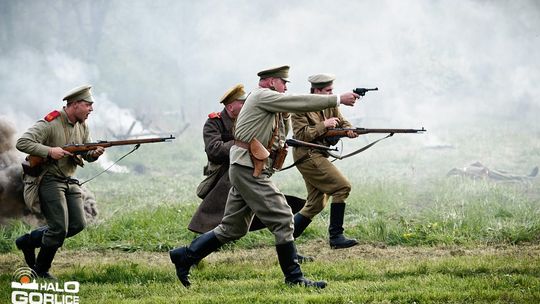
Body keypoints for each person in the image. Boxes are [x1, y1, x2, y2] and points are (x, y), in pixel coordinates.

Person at [169, 66, 360, 289]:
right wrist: (337, 99)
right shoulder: (262, 96)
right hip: (249, 169)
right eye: (283, 83)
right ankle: (294, 278)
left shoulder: (270, 102)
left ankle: (185, 256)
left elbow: (282, 127)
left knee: (233, 228)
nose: (286, 87)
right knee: (283, 217)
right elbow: (298, 102)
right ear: (271, 83)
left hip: (249, 167)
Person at [15, 84, 104, 279]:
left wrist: (93, 154)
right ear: (75, 104)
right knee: (58, 229)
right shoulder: (51, 122)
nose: (91, 109)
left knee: (77, 224)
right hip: (48, 179)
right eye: (88, 105)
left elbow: (85, 153)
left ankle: (28, 241)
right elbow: (22, 142)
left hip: (69, 179)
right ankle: (41, 269)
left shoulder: (83, 125)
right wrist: (50, 151)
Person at [291, 73, 360, 249]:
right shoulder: (300, 107)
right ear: (316, 91)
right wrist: (324, 125)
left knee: (315, 204)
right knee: (342, 187)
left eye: (332, 91)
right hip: (308, 155)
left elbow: (343, 122)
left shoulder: (331, 104)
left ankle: (285, 240)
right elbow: (300, 135)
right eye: (328, 91)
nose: (331, 94)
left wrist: (349, 130)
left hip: (319, 154)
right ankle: (336, 237)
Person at [188, 83, 247, 233]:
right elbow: (214, 150)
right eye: (242, 103)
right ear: (230, 106)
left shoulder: (246, 120)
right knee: (224, 190)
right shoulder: (214, 122)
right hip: (220, 169)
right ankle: (205, 230)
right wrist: (238, 144)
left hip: (242, 166)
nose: (246, 105)